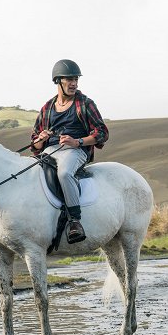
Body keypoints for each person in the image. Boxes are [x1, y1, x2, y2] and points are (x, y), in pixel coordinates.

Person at [31, 59, 109, 243]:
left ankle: (75, 221)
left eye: (76, 79)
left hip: (75, 151)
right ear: (58, 81)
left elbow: (102, 133)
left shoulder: (85, 104)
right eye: (69, 79)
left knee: (65, 173)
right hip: (49, 150)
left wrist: (78, 141)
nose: (74, 83)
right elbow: (34, 145)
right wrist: (40, 140)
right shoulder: (47, 108)